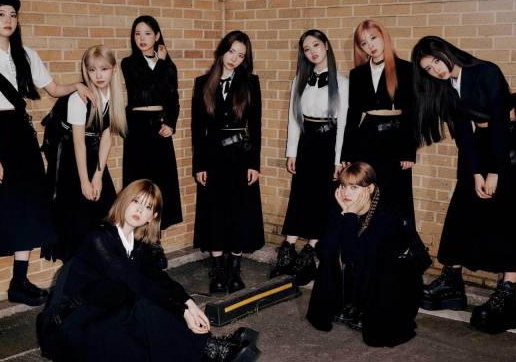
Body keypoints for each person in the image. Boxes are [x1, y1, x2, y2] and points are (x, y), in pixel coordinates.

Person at [0, 0, 94, 328]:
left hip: (23, 138)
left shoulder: (26, 54)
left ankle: (19, 283)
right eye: (1, 14)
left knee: (30, 208)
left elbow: (53, 88)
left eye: (13, 15)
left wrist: (78, 85)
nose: (8, 20)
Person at [36, 179, 261, 362]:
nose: (139, 210)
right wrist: (181, 311)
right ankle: (210, 349)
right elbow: (134, 282)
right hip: (71, 327)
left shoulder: (137, 246)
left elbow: (161, 280)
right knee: (143, 305)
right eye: (136, 201)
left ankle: (208, 347)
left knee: (150, 317)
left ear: (152, 217)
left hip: (104, 318)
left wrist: (189, 303)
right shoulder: (98, 239)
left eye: (148, 207)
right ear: (124, 200)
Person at [412, 36, 516, 333]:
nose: (436, 70)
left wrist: (494, 171)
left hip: (512, 138)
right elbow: (464, 135)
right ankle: (451, 282)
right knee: (463, 208)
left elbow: (499, 121)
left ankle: (507, 295)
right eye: (429, 69)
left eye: (437, 61)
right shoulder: (446, 88)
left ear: (446, 52)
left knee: (513, 218)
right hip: (485, 142)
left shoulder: (486, 71)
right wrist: (475, 174)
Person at [306, 162, 423, 347]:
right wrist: (345, 214)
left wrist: (350, 215)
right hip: (368, 273)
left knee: (371, 261)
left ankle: (366, 311)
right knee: (330, 254)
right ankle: (347, 305)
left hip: (396, 283)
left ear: (369, 189)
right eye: (343, 185)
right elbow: (324, 249)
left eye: (354, 187)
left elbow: (355, 256)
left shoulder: (386, 215)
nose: (346, 192)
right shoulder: (341, 206)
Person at [269, 29, 349, 286]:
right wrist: (291, 152)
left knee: (322, 198)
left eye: (316, 45)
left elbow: (344, 124)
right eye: (306, 49)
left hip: (328, 143)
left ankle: (310, 252)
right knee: (300, 195)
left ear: (326, 45)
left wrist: (338, 160)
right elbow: (294, 118)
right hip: (306, 142)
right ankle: (288, 248)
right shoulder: (299, 80)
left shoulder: (342, 82)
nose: (312, 51)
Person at [191, 31, 264, 294]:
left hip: (240, 157)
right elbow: (197, 128)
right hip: (212, 158)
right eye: (231, 51)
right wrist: (199, 165)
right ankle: (218, 270)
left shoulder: (250, 83)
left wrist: (254, 164)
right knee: (214, 213)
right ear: (222, 50)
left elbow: (255, 126)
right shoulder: (202, 83)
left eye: (241, 55)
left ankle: (234, 269)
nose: (234, 59)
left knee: (239, 213)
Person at [42, 45, 127, 262]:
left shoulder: (113, 96)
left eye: (104, 69)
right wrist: (84, 182)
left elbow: (106, 137)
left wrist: (98, 176)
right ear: (86, 71)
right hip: (71, 159)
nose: (98, 75)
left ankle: (101, 271)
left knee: (107, 215)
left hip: (93, 154)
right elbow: (78, 143)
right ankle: (76, 276)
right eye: (92, 70)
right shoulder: (79, 99)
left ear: (113, 69)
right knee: (77, 221)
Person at [341, 19, 416, 231]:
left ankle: (395, 246)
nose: (370, 46)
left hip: (395, 137)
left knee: (395, 195)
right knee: (366, 192)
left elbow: (412, 112)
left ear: (384, 37)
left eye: (373, 38)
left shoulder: (406, 69)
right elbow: (352, 115)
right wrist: (347, 152)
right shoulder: (357, 73)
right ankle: (363, 242)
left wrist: (409, 152)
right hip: (366, 136)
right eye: (364, 43)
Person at [122, 15, 182, 230]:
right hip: (137, 127)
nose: (142, 38)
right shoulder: (129, 63)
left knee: (161, 184)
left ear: (157, 36)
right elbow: (146, 88)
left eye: (147, 33)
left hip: (159, 127)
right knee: (139, 185)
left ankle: (156, 240)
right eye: (137, 34)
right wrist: (161, 64)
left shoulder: (168, 65)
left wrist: (171, 124)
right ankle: (137, 238)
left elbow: (173, 99)